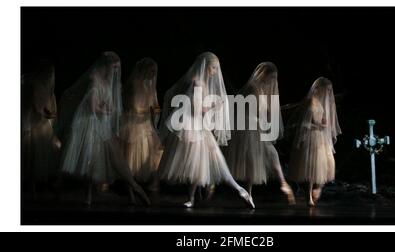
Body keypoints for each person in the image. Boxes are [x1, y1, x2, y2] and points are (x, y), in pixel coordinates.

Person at [158, 52, 254, 208]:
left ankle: (237, 190)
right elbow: (199, 108)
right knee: (198, 165)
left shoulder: (203, 83)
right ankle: (196, 197)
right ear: (205, 66)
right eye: (213, 68)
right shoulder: (197, 82)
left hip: (199, 128)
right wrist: (215, 106)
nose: (215, 72)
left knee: (209, 164)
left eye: (216, 68)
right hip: (192, 127)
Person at [59, 51, 150, 205]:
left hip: (102, 126)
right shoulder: (95, 81)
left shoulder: (109, 83)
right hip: (91, 125)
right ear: (106, 66)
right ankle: (89, 195)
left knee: (112, 159)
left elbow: (110, 105)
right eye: (114, 68)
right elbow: (93, 107)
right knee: (91, 161)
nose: (116, 72)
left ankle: (134, 188)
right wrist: (105, 109)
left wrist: (109, 109)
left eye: (117, 68)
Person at [226, 62, 295, 205]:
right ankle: (250, 192)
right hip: (247, 126)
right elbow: (255, 109)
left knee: (270, 154)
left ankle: (282, 183)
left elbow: (264, 111)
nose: (272, 82)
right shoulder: (253, 87)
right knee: (252, 160)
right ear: (264, 74)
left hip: (255, 126)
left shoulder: (262, 90)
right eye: (271, 78)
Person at [288, 77, 341, 206]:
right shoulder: (311, 101)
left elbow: (322, 119)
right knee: (311, 167)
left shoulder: (322, 103)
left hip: (320, 137)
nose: (328, 93)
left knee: (326, 165)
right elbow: (304, 123)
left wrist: (323, 122)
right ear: (319, 89)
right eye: (326, 90)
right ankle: (308, 195)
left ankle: (318, 189)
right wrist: (318, 125)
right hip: (311, 137)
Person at [119, 58, 163, 203]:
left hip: (145, 124)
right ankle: (130, 189)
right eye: (151, 71)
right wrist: (148, 110)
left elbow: (155, 104)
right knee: (131, 157)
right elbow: (134, 107)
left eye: (155, 72)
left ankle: (151, 184)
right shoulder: (134, 84)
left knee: (157, 151)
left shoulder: (151, 85)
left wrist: (156, 109)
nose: (153, 74)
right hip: (134, 124)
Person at [21, 60, 61, 198]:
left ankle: (37, 186)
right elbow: (37, 108)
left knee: (39, 155)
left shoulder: (42, 87)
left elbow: (42, 106)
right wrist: (48, 114)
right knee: (34, 155)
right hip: (34, 125)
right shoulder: (35, 85)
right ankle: (32, 188)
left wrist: (49, 113)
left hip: (39, 123)